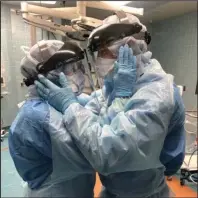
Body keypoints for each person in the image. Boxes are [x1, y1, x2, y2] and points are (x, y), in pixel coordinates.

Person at [35, 13, 185, 198]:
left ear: (130, 47)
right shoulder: (120, 83)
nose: (99, 59)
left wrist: (70, 106)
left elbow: (109, 152)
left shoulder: (157, 94)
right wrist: (77, 100)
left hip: (144, 193)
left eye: (104, 52)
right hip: (113, 191)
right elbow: (99, 104)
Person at [8, 40, 96, 197]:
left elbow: (92, 104)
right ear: (50, 74)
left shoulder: (62, 101)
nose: (80, 74)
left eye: (79, 67)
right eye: (72, 69)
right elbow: (93, 154)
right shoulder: (38, 117)